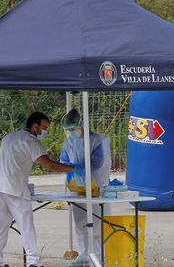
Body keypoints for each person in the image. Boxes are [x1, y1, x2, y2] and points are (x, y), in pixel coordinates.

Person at [0, 112, 83, 267]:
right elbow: (50, 165)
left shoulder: (9, 137)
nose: (44, 131)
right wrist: (74, 168)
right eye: (44, 128)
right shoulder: (31, 141)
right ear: (34, 126)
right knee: (26, 226)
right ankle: (33, 261)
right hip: (16, 188)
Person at [60, 109, 111, 267]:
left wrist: (81, 168)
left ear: (82, 123)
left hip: (97, 188)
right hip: (77, 188)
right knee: (80, 223)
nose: (71, 132)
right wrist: (72, 171)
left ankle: (99, 256)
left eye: (73, 128)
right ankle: (84, 255)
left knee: (97, 226)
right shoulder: (69, 143)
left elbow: (97, 163)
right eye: (69, 130)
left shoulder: (97, 140)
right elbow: (63, 161)